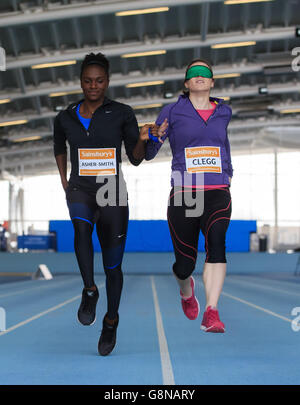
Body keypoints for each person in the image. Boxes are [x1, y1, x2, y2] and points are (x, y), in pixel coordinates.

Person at [53, 52, 156, 355]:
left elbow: (135, 158)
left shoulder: (122, 112)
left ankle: (110, 321)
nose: (93, 86)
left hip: (112, 191)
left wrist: (143, 138)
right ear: (81, 82)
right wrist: (63, 179)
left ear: (107, 82)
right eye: (88, 81)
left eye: (99, 81)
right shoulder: (65, 116)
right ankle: (89, 289)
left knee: (113, 267)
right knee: (80, 230)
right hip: (81, 188)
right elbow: (59, 146)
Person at [145, 59, 233, 333]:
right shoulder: (172, 111)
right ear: (186, 83)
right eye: (193, 73)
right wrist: (153, 135)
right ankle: (186, 289)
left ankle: (212, 312)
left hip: (217, 191)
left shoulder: (224, 111)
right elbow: (149, 153)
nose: (199, 76)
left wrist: (228, 173)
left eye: (205, 73)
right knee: (185, 264)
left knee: (217, 244)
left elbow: (224, 145)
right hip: (184, 192)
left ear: (212, 82)